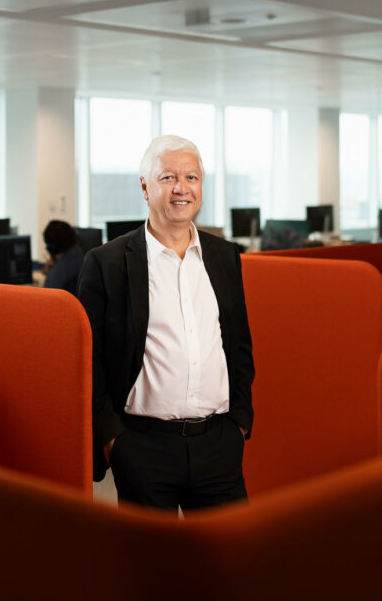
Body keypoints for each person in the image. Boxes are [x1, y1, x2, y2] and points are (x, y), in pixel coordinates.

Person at [77, 135, 255, 512]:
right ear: (145, 186)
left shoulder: (224, 256)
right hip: (143, 448)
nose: (181, 188)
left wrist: (239, 421)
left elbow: (238, 344)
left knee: (233, 562)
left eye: (191, 177)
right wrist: (113, 440)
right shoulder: (106, 263)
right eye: (167, 177)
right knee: (149, 568)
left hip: (218, 443)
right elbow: (86, 360)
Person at [42, 220, 83, 296]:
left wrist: (52, 272)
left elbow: (46, 301)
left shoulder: (56, 274)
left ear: (51, 248)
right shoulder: (84, 257)